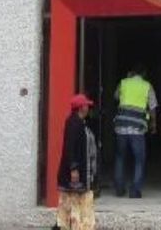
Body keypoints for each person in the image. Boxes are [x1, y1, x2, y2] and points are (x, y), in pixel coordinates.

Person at [113, 64, 157, 198]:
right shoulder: (147, 86)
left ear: (131, 72)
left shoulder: (123, 83)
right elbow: (153, 107)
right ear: (143, 74)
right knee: (139, 159)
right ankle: (135, 191)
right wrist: (153, 124)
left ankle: (119, 189)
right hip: (137, 129)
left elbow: (116, 97)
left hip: (121, 127)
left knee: (120, 157)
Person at [54, 93, 97, 230]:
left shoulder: (79, 122)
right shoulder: (74, 123)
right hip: (76, 173)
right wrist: (74, 169)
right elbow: (70, 147)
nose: (88, 108)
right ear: (81, 108)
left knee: (71, 201)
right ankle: (76, 226)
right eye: (86, 106)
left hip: (81, 171)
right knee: (77, 200)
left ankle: (67, 225)